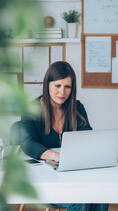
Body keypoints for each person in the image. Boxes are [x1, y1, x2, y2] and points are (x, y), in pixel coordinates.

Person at [21, 61, 109, 211]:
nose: (62, 92)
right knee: (82, 201)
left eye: (67, 87)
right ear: (47, 84)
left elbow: (87, 137)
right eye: (57, 86)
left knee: (101, 194)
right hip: (46, 179)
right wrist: (57, 156)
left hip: (75, 175)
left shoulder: (77, 108)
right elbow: (28, 143)